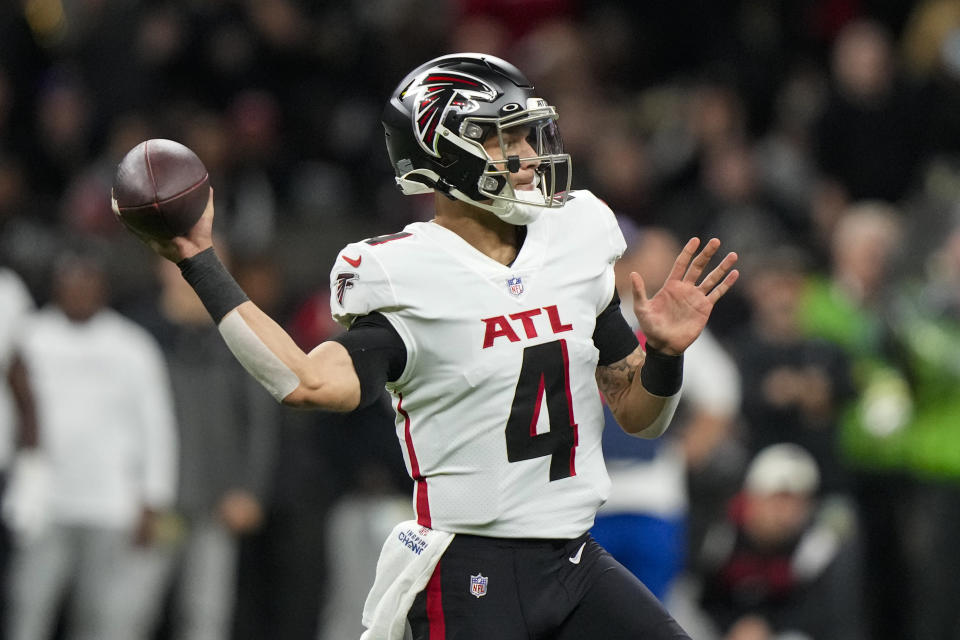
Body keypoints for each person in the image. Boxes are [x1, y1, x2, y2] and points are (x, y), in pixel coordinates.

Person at [128, 53, 738, 639]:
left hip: (574, 557)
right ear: (444, 155)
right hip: (472, 569)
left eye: (529, 135)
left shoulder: (576, 236)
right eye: (505, 139)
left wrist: (664, 355)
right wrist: (201, 262)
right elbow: (307, 383)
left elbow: (640, 418)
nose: (529, 156)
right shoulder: (405, 272)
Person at [5, 249, 178, 640]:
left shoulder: (132, 346)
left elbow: (157, 425)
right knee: (28, 606)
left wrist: (154, 497)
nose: (79, 291)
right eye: (71, 282)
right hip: (45, 502)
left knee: (104, 618)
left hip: (111, 504)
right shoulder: (30, 338)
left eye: (88, 283)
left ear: (103, 288)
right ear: (56, 286)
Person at [693, 443, 865, 640]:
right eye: (777, 500)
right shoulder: (723, 538)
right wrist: (735, 627)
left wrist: (766, 629)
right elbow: (703, 601)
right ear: (752, 500)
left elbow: (821, 616)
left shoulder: (818, 549)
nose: (786, 513)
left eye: (797, 502)